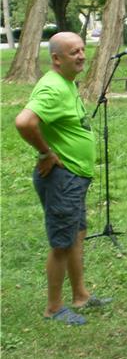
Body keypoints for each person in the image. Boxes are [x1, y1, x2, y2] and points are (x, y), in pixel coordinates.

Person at [15, 32, 111, 326]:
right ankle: (54, 308)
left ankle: (80, 294)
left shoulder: (66, 83)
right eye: (73, 52)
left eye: (82, 49)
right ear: (57, 59)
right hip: (62, 179)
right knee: (62, 243)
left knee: (76, 236)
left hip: (74, 178)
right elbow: (24, 122)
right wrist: (45, 153)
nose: (81, 55)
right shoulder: (54, 88)